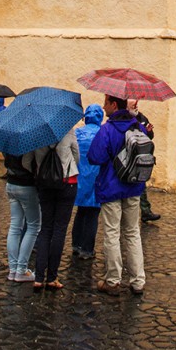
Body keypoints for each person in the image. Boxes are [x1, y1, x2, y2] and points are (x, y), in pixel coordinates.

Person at [87, 95, 147, 297]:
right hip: (133, 187)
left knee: (112, 233)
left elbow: (95, 157)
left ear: (114, 105)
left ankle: (113, 280)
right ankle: (138, 281)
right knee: (132, 232)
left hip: (111, 187)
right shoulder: (137, 127)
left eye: (106, 103)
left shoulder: (107, 129)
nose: (104, 107)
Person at [32, 128, 79, 290]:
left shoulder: (36, 133)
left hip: (45, 183)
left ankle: (38, 278)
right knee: (59, 230)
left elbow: (27, 161)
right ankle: (52, 277)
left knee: (45, 228)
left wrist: (40, 168)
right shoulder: (68, 130)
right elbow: (77, 156)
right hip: (67, 182)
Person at [71, 104, 105, 259]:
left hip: (80, 178)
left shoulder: (77, 133)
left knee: (80, 212)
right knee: (92, 215)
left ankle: (76, 244)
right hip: (97, 179)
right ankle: (87, 249)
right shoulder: (102, 133)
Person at [3, 149, 42, 283]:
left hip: (11, 183)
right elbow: (30, 164)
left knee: (15, 227)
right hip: (27, 184)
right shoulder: (31, 142)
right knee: (33, 226)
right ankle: (21, 270)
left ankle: (13, 269)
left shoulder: (11, 139)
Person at [127, 99, 161, 224]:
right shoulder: (124, 118)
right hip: (129, 156)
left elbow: (149, 136)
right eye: (133, 105)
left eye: (136, 105)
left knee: (141, 183)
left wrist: (149, 131)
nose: (136, 107)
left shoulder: (142, 118)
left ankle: (145, 211)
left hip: (141, 157)